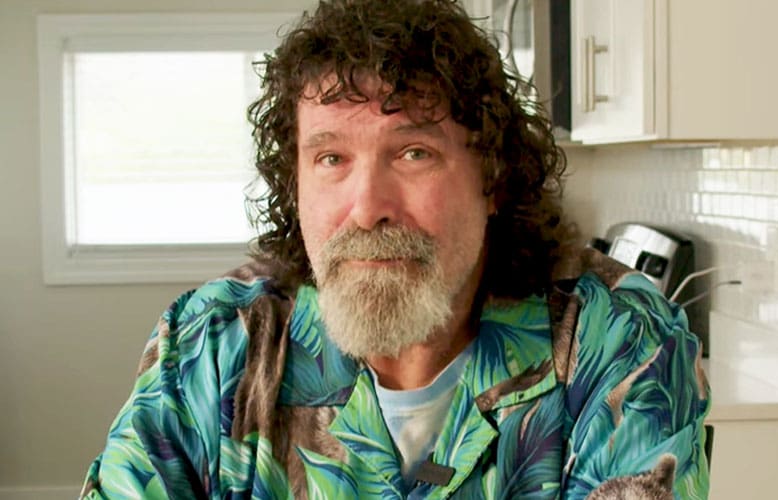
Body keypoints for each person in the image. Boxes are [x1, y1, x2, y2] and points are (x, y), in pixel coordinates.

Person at [80, 0, 710, 498]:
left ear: (493, 178)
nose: (366, 207)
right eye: (331, 158)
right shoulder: (215, 343)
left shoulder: (619, 339)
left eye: (413, 153)